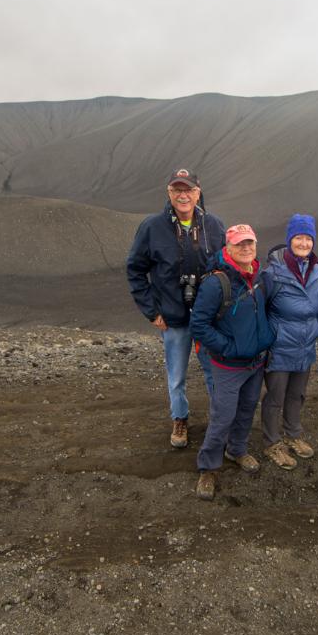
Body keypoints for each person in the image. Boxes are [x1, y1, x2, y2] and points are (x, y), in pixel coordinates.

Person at [126, 168, 225, 449]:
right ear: (169, 193)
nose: (183, 195)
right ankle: (179, 418)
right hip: (173, 316)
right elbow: (135, 269)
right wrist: (151, 310)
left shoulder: (214, 226)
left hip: (208, 317)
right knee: (177, 374)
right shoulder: (152, 227)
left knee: (214, 370)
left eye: (189, 190)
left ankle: (220, 418)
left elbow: (226, 265)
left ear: (198, 192)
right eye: (177, 190)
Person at [190, 224, 275, 500]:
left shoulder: (261, 276)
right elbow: (199, 325)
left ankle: (236, 450)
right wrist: (228, 347)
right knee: (223, 416)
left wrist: (267, 337)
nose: (246, 248)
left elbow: (269, 309)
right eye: (240, 244)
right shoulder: (216, 283)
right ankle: (208, 467)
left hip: (255, 363)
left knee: (247, 410)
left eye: (250, 242)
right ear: (228, 248)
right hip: (228, 365)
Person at [259, 214, 318, 470]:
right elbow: (260, 310)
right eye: (298, 237)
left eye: (308, 238)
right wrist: (265, 344)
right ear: (290, 240)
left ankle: (293, 434)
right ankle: (272, 442)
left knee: (297, 394)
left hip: (305, 345)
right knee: (275, 396)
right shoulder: (273, 271)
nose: (303, 243)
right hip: (280, 346)